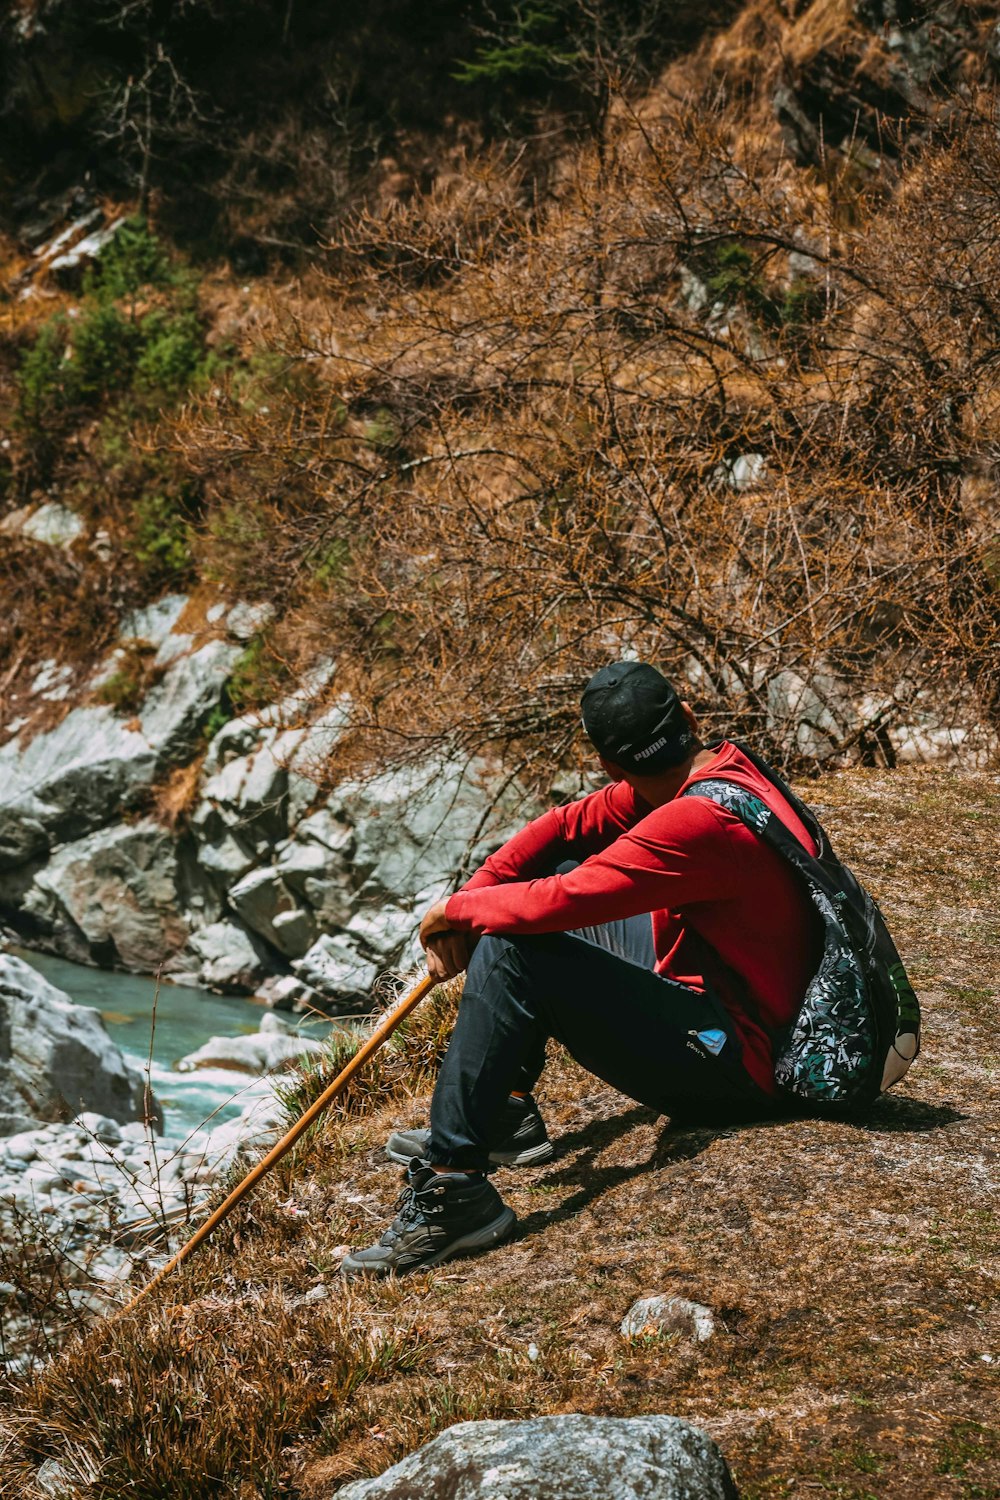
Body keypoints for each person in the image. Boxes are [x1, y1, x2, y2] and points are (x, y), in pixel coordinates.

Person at [340, 661, 824, 1279]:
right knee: (533, 894)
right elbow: (566, 828)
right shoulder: (723, 774)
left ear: (609, 763)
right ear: (691, 722)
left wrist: (454, 912)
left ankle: (452, 1186)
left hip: (747, 1063)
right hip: (764, 1015)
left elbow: (562, 900)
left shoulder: (696, 823)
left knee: (515, 945)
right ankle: (504, 1112)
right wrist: (480, 894)